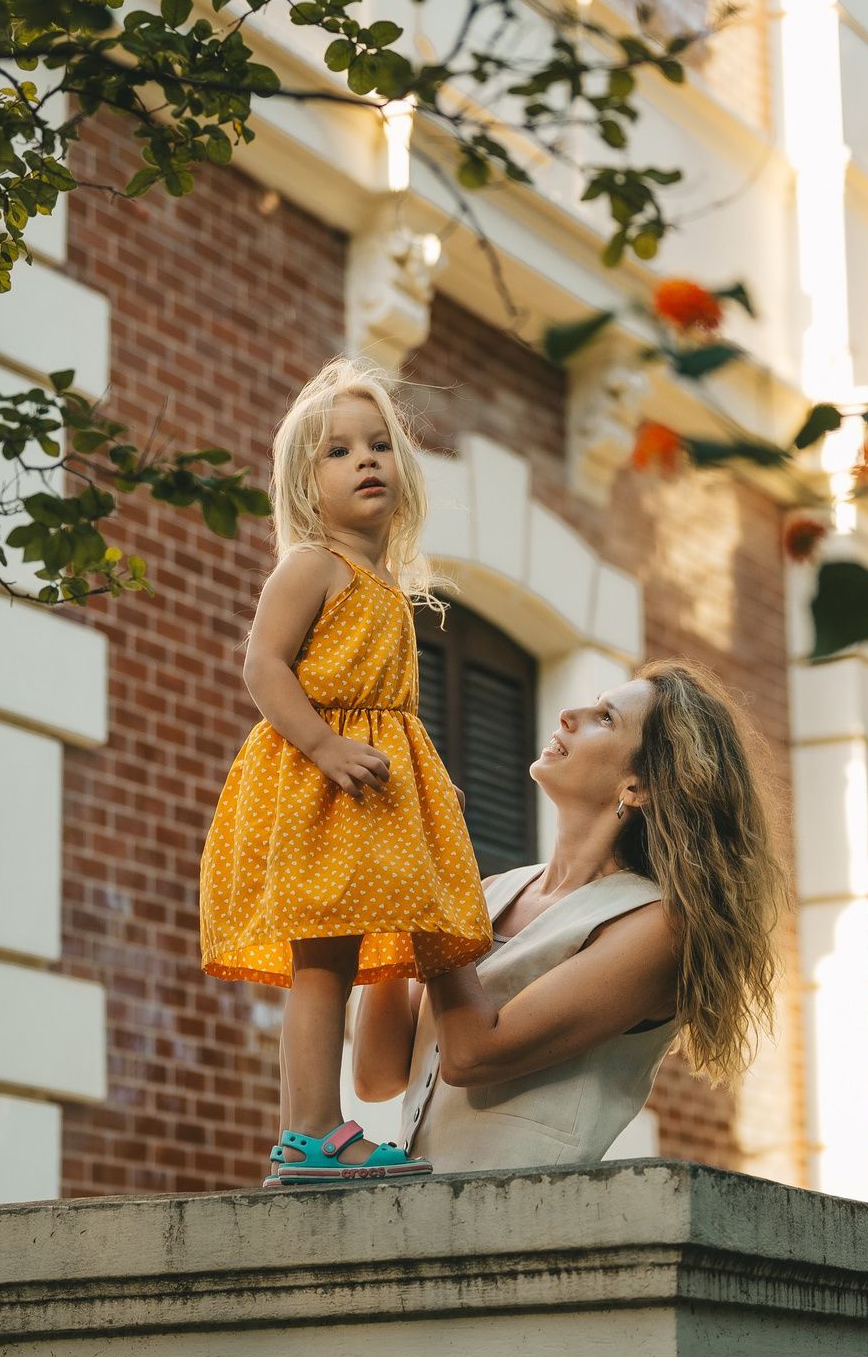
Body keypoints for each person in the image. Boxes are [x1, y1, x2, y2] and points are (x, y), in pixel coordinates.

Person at [199, 358, 492, 1187]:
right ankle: (312, 1131)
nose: (365, 460)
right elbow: (264, 667)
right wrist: (325, 748)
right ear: (303, 482)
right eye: (337, 451)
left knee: (341, 953)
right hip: (317, 786)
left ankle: (315, 1130)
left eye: (378, 446)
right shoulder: (312, 567)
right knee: (321, 959)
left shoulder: (387, 587)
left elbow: (388, 707)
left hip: (367, 791)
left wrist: (427, 774)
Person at [351, 661, 788, 1172]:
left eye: (606, 717)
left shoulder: (660, 926)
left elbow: (472, 1054)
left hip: (526, 1229)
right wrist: (400, 887)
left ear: (637, 787)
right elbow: (376, 1075)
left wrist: (438, 871)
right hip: (417, 1221)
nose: (569, 713)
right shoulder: (490, 893)